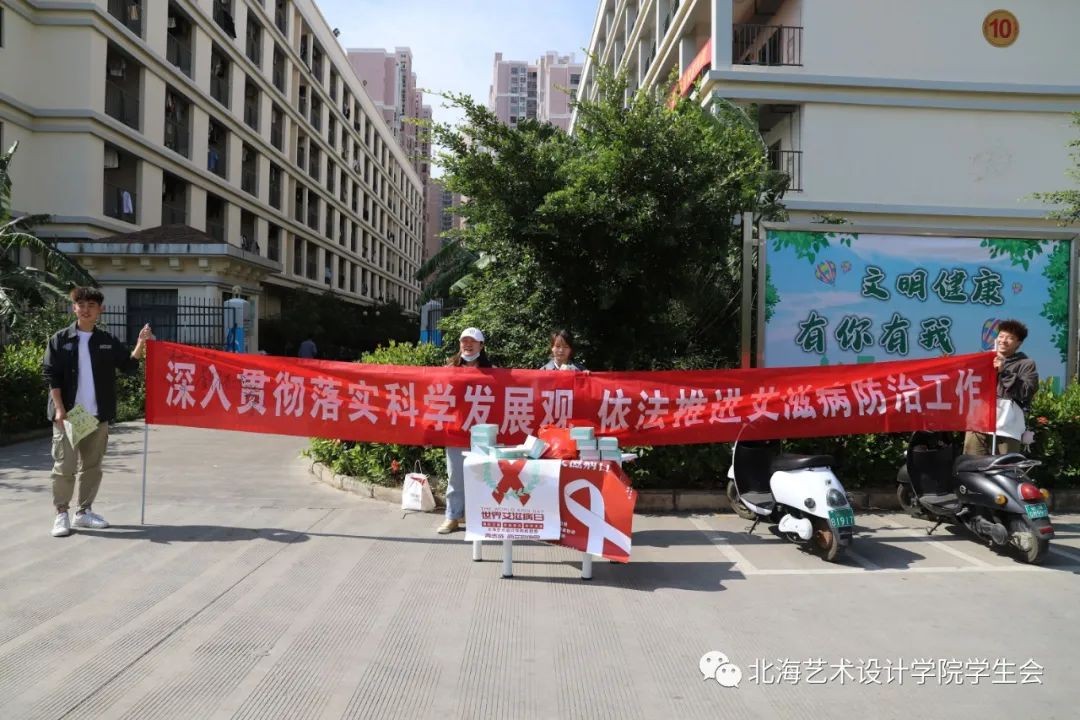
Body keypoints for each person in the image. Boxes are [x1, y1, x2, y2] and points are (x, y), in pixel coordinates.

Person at [43, 287, 152, 537]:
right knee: (64, 466)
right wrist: (59, 409)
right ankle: (61, 514)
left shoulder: (106, 340)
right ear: (74, 308)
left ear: (100, 309)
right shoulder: (60, 339)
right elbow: (51, 376)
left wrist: (141, 343)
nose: (86, 309)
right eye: (81, 304)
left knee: (92, 467)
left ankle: (83, 512)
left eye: (91, 305)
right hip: (69, 416)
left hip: (96, 415)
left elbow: (128, 366)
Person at [437, 327, 492, 534]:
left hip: (482, 433)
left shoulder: (493, 371)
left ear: (481, 345)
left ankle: (481, 517)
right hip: (457, 430)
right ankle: (452, 516)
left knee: (484, 476)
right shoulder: (449, 369)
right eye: (464, 341)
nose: (468, 345)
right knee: (456, 477)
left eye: (472, 341)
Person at [963, 319, 1038, 456]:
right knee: (972, 464)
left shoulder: (1026, 364)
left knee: (1004, 465)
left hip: (1007, 427)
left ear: (1018, 343)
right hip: (978, 424)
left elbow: (1026, 392)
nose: (1003, 341)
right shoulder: (982, 360)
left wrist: (1004, 372)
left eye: (1010, 338)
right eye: (1001, 336)